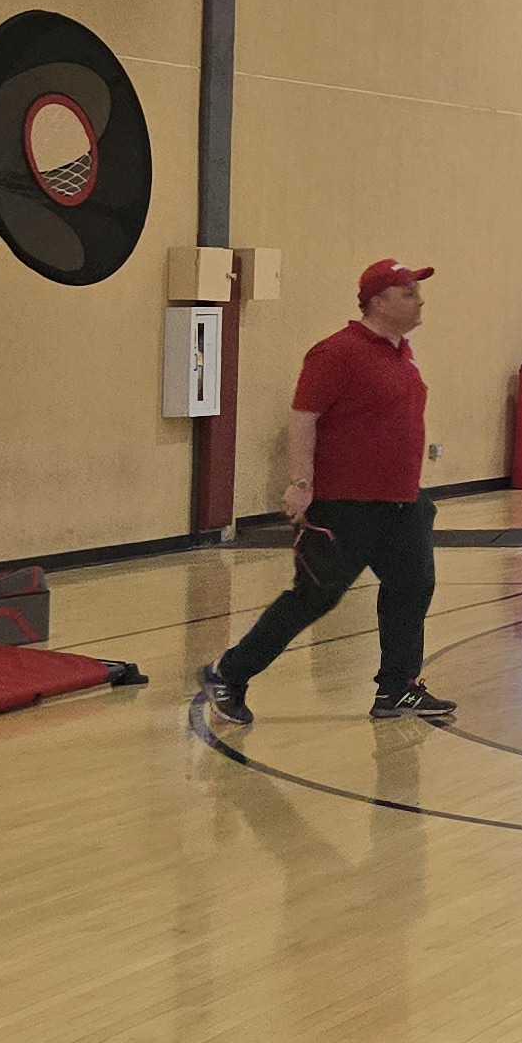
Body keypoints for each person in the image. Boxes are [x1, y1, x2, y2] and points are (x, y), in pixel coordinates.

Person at [198, 260, 457, 727]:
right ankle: (229, 673)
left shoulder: (402, 353)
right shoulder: (337, 352)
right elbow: (304, 417)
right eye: (407, 293)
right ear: (378, 301)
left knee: (411, 588)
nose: (419, 301)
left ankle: (397, 689)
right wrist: (301, 484)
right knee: (314, 597)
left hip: (401, 502)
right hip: (345, 506)